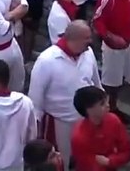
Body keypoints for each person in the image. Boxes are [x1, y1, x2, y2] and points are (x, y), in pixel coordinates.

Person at [29, 20, 101, 162]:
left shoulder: (88, 54)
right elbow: (35, 101)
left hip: (86, 120)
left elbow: (96, 83)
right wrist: (35, 134)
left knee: (86, 157)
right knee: (61, 161)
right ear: (75, 39)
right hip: (59, 124)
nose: (91, 41)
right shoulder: (46, 61)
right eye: (87, 38)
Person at [69, 85, 130, 171]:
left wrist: (110, 161)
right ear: (89, 110)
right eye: (102, 104)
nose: (108, 105)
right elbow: (88, 166)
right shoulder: (79, 137)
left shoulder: (113, 120)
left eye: (106, 101)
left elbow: (127, 150)